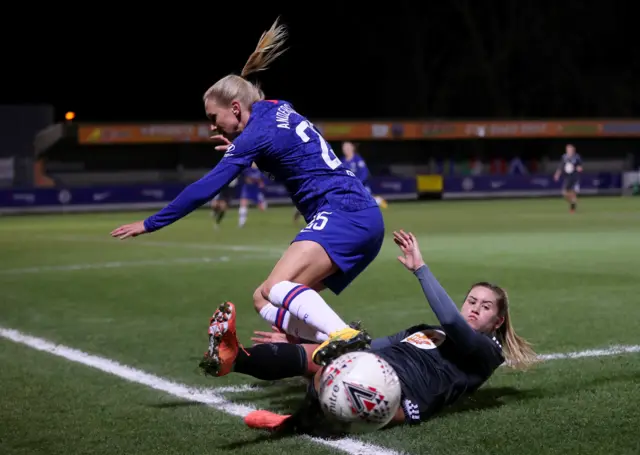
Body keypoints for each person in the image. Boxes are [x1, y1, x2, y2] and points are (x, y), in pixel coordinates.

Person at [110, 18, 384, 366]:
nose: (212, 125)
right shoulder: (278, 108)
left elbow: (207, 186)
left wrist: (151, 222)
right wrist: (244, 151)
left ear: (235, 109)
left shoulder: (255, 135)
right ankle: (335, 349)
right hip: (359, 217)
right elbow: (290, 156)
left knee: (275, 288)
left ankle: (345, 337)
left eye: (214, 117)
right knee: (263, 300)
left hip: (344, 212)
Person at [202, 229, 538, 434]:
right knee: (329, 352)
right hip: (375, 370)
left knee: (333, 374)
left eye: (486, 306)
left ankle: (294, 421)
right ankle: (236, 357)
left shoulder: (487, 352)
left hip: (400, 398)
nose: (475, 307)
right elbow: (373, 345)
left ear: (497, 322)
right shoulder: (428, 330)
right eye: (471, 300)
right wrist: (304, 339)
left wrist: (420, 269)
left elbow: (453, 323)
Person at [341, 141, 387, 208]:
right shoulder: (342, 161)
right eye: (344, 148)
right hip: (348, 186)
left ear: (352, 148)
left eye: (348, 147)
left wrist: (358, 183)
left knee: (365, 201)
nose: (346, 149)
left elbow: (364, 172)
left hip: (361, 185)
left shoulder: (358, 159)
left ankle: (378, 200)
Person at [553, 144, 583, 213]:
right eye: (568, 150)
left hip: (575, 177)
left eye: (570, 150)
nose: (569, 151)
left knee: (573, 192)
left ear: (573, 150)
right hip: (567, 178)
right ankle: (573, 200)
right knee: (564, 193)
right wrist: (557, 174)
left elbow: (580, 167)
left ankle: (572, 209)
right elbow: (560, 166)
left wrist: (578, 168)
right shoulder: (564, 157)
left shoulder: (577, 157)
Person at [238, 163, 267, 228]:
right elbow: (248, 179)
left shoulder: (260, 170)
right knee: (243, 204)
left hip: (255, 190)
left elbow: (261, 181)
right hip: (247, 189)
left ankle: (262, 201)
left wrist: (260, 183)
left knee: (262, 208)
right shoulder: (248, 169)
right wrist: (256, 180)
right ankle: (241, 223)